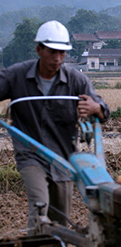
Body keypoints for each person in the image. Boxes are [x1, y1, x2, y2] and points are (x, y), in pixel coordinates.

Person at [0, 20, 110, 232]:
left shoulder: (76, 80)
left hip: (64, 158)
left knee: (60, 219)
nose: (57, 58)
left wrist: (96, 107)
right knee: (39, 206)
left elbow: (103, 110)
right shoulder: (18, 75)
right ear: (39, 49)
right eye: (52, 52)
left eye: (62, 53)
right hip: (30, 154)